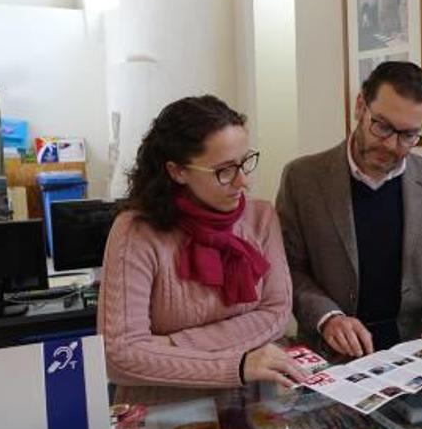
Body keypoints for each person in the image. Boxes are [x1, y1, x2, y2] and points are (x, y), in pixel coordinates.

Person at [276, 61, 422, 358]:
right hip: (333, 348)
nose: (391, 144)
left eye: (408, 135)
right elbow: (290, 268)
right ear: (360, 106)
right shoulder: (303, 178)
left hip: (415, 342)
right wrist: (328, 317)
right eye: (382, 126)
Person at [98, 95, 305, 388]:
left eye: (245, 162)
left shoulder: (261, 217)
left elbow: (276, 314)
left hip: (253, 400)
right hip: (164, 412)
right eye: (225, 170)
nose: (242, 182)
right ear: (177, 171)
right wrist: (237, 364)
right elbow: (119, 355)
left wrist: (169, 346)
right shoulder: (136, 232)